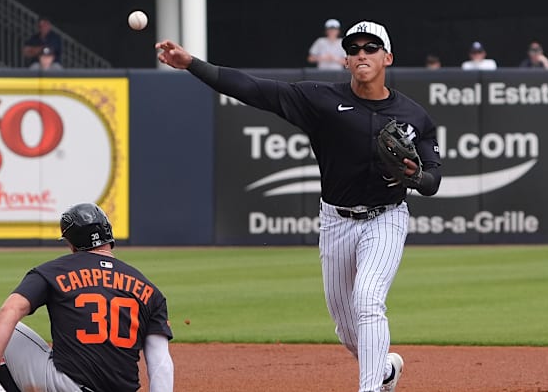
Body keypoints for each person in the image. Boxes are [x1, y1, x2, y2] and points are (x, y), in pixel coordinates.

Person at [156, 20, 442, 392]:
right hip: (336, 221)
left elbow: (433, 179)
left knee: (368, 299)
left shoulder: (414, 116)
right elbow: (254, 90)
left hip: (386, 217)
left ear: (387, 57)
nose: (361, 54)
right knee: (345, 325)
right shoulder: (321, 100)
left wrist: (417, 178)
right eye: (353, 49)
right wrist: (192, 63)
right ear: (345, 61)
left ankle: (370, 388)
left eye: (370, 48)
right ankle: (385, 370)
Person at [0, 203, 174, 392]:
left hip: (69, 387)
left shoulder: (53, 271)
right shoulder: (149, 290)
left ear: (72, 243)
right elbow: (161, 363)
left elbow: (10, 310)